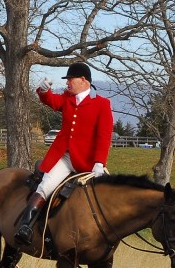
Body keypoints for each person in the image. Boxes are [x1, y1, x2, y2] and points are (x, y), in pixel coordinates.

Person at [15, 62, 114, 245]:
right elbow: (51, 101)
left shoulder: (102, 104)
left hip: (88, 162)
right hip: (65, 157)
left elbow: (104, 136)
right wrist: (44, 91)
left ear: (83, 80)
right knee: (46, 186)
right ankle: (25, 226)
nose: (68, 83)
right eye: (67, 80)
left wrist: (99, 162)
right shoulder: (68, 98)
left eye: (70, 79)